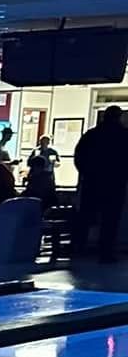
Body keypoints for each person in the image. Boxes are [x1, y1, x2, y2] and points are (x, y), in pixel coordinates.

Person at [73, 103, 128, 261]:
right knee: (110, 219)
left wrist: (86, 173)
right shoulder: (123, 135)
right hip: (115, 183)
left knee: (86, 216)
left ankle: (79, 247)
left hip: (92, 181)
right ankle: (106, 251)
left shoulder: (92, 135)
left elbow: (79, 156)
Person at [24, 134, 59, 202]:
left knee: (48, 191)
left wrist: (53, 163)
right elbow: (29, 163)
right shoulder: (36, 151)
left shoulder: (52, 152)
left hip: (48, 174)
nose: (43, 143)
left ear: (48, 142)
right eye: (42, 141)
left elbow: (57, 163)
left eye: (45, 141)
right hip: (36, 175)